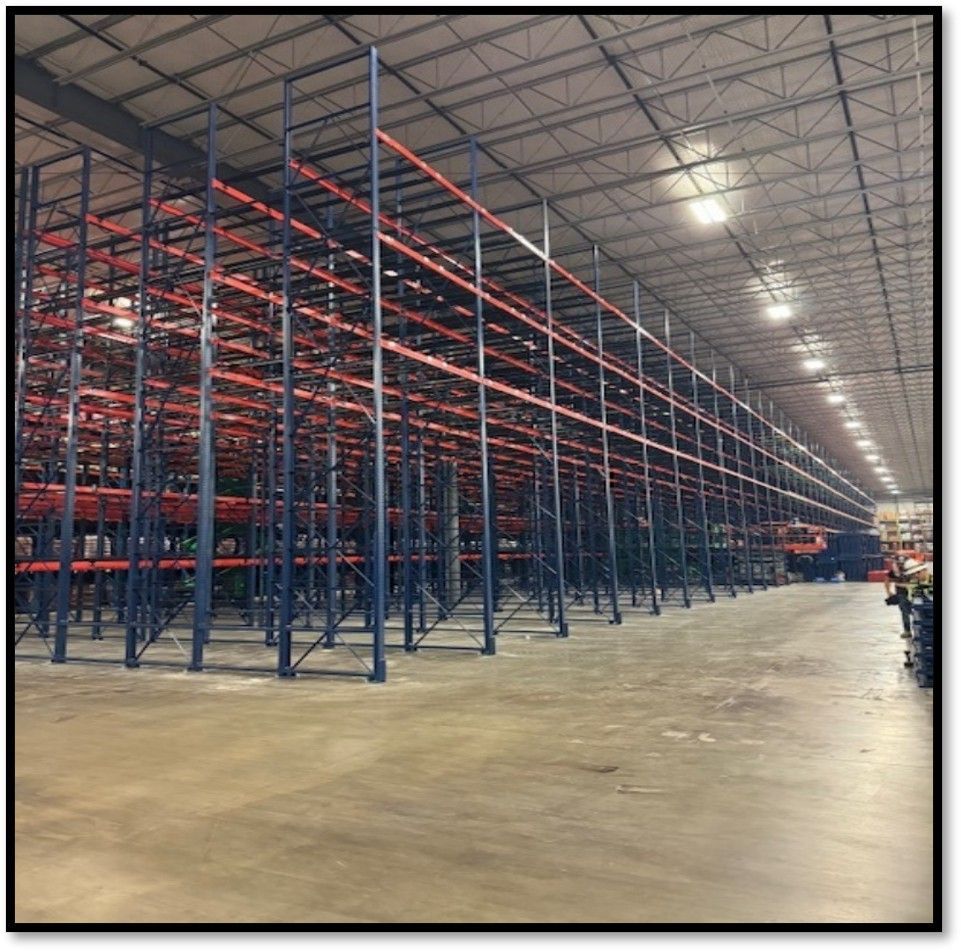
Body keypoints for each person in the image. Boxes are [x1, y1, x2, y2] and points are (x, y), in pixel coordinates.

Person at [884, 556, 925, 638]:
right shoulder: (895, 571)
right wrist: (888, 592)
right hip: (901, 593)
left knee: (918, 610)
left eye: (902, 564)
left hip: (915, 593)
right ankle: (907, 631)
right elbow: (887, 579)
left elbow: (922, 580)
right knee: (904, 611)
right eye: (899, 564)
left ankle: (922, 628)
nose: (901, 566)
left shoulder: (914, 569)